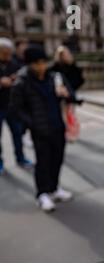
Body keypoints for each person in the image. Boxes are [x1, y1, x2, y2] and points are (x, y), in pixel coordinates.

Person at [10, 45, 74, 212]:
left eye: (43, 62)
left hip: (57, 126)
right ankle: (42, 194)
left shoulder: (54, 78)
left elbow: (71, 95)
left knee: (57, 159)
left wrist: (66, 94)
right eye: (37, 63)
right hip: (39, 130)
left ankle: (54, 188)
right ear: (29, 64)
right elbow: (16, 109)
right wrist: (31, 123)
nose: (41, 66)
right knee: (43, 162)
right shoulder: (22, 82)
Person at [0, 38, 32, 175]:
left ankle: (21, 158)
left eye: (8, 52)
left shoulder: (14, 64)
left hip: (12, 106)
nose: (7, 54)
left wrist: (14, 80)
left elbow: (23, 80)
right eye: (4, 52)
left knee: (17, 134)